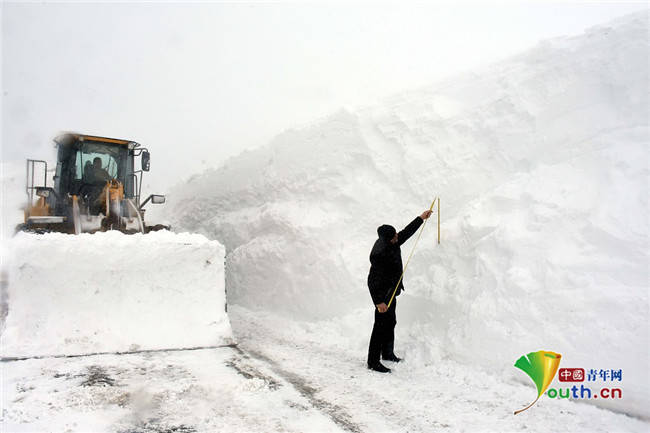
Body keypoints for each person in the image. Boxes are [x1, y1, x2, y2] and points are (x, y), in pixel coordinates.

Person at [367, 209, 433, 373]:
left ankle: (387, 353)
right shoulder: (379, 254)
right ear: (387, 240)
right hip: (382, 296)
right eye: (394, 236)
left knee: (390, 323)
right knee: (379, 327)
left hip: (391, 291)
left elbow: (406, 232)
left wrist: (420, 218)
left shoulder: (392, 241)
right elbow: (372, 281)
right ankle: (373, 361)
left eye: (396, 234)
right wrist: (378, 302)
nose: (397, 237)